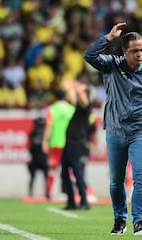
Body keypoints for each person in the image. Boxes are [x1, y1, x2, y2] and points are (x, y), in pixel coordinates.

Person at [84, 22, 142, 236]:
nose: (140, 54)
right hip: (115, 131)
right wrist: (108, 38)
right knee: (116, 181)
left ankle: (140, 221)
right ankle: (119, 220)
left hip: (141, 132)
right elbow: (89, 56)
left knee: (141, 176)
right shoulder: (112, 65)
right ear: (125, 51)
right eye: (135, 51)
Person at [61, 74, 92, 210]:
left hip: (76, 143)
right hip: (69, 143)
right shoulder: (79, 107)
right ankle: (71, 201)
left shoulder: (86, 107)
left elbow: (83, 101)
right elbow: (73, 99)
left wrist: (76, 87)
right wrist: (73, 88)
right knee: (65, 173)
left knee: (77, 172)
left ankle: (84, 201)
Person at [27, 116, 48, 197]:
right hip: (39, 158)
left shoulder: (34, 134)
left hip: (37, 158)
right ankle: (46, 192)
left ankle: (45, 192)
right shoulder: (42, 134)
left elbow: (29, 148)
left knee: (34, 177)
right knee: (36, 177)